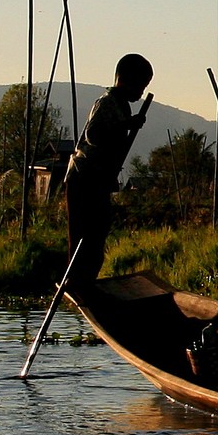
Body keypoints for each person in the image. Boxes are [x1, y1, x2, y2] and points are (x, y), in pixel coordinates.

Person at [64, 53, 152, 291]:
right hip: (84, 179)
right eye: (141, 85)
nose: (142, 92)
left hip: (98, 181)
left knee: (97, 238)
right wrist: (126, 125)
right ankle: (77, 286)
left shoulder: (121, 105)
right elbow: (94, 135)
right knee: (85, 241)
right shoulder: (107, 102)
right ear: (124, 79)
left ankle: (86, 286)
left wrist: (127, 123)